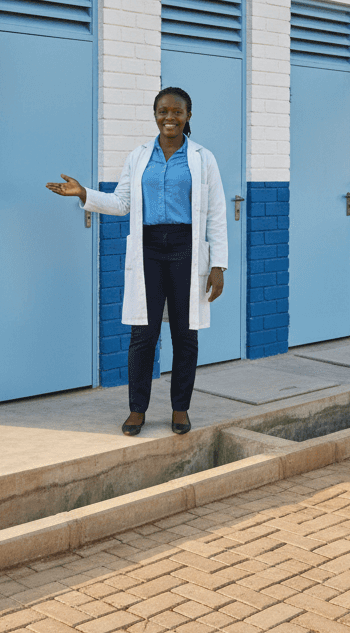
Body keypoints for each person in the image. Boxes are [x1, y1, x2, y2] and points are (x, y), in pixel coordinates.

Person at [46, 87, 228, 436]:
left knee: (184, 334)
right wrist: (85, 193)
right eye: (163, 111)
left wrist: (218, 265)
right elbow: (121, 202)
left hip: (186, 250)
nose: (169, 117)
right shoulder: (140, 156)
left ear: (189, 115)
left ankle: (180, 408)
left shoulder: (204, 158)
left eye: (177, 111)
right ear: (155, 114)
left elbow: (217, 213)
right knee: (143, 335)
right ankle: (136, 409)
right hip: (148, 249)